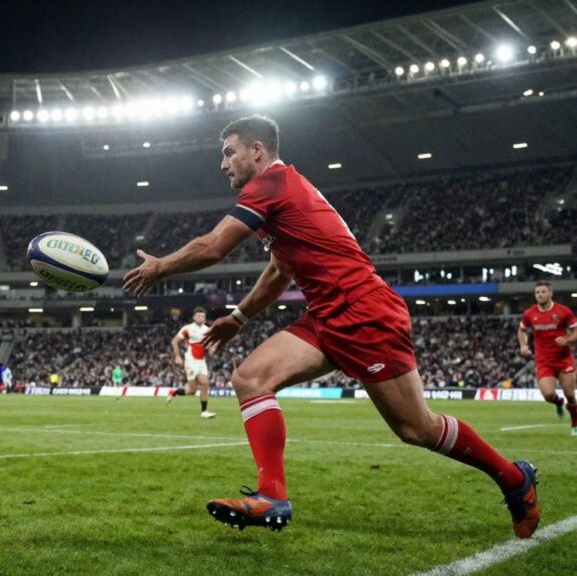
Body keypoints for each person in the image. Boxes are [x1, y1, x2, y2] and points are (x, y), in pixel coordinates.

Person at [123, 115, 539, 538]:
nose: (222, 163)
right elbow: (279, 273)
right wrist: (237, 318)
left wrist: (160, 267)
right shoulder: (280, 193)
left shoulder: (267, 186)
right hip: (326, 315)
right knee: (250, 379)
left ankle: (512, 477)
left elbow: (212, 247)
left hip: (365, 311)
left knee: (416, 428)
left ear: (257, 151)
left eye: (229, 152)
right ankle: (272, 496)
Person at [518, 281, 577, 435]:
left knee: (570, 394)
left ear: (550, 293)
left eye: (543, 292)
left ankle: (575, 424)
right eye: (537, 292)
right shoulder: (530, 313)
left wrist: (567, 340)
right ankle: (558, 402)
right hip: (544, 361)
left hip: (564, 359)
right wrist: (523, 345)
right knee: (548, 394)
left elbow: (575, 330)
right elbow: (522, 330)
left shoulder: (563, 311)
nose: (540, 295)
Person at [165, 307, 216, 418]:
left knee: (191, 390)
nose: (200, 318)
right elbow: (174, 341)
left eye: (202, 316)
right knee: (204, 382)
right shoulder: (187, 328)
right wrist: (177, 356)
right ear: (194, 317)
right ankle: (204, 411)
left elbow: (210, 344)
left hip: (202, 360)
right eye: (198, 316)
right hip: (191, 359)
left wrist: (211, 349)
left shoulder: (208, 330)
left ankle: (173, 392)